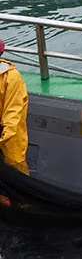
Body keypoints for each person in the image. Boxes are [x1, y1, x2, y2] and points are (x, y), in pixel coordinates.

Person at [0, 40, 28, 175]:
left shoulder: (11, 77)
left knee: (16, 176)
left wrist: (2, 137)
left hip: (10, 142)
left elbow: (12, 115)